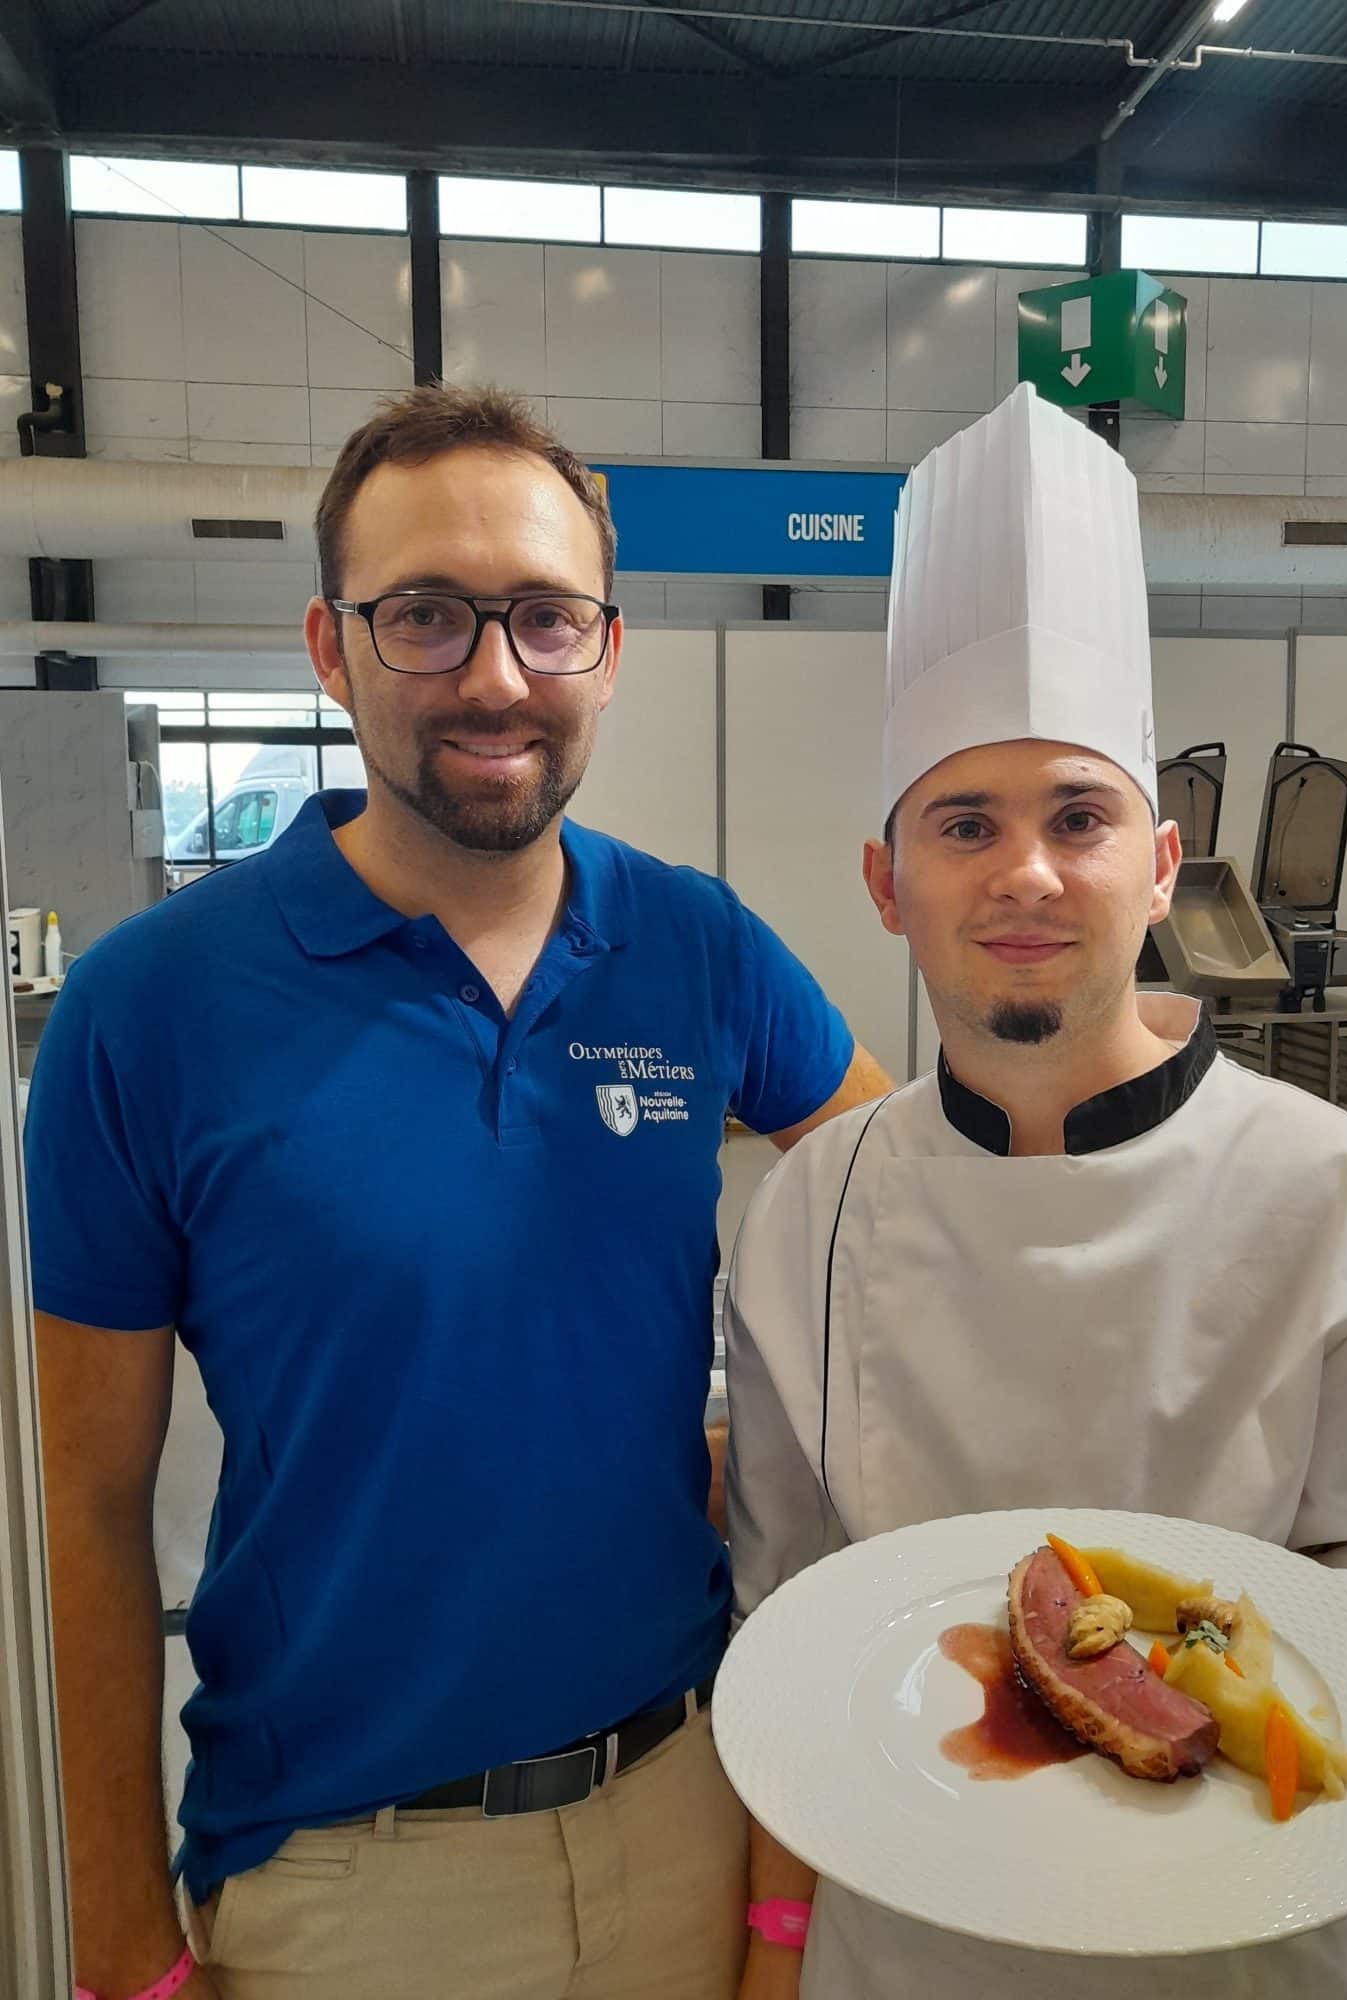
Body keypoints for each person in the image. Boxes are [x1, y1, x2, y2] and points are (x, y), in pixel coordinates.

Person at [25, 384, 889, 2000]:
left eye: (546, 620)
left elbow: (909, 1214)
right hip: (350, 1878)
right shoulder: (150, 1011)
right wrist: (121, 1944)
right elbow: (86, 1511)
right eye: (426, 615)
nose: (495, 677)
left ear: (608, 650)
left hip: (687, 1811)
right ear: (330, 645)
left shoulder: (696, 949)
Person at [724, 383, 1347, 2000]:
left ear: (1159, 868)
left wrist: (1213, 1681)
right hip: (905, 1946)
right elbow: (782, 1603)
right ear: (888, 882)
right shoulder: (814, 1209)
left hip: (1256, 1938)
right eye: (965, 824)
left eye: (1080, 818)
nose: (1025, 872)